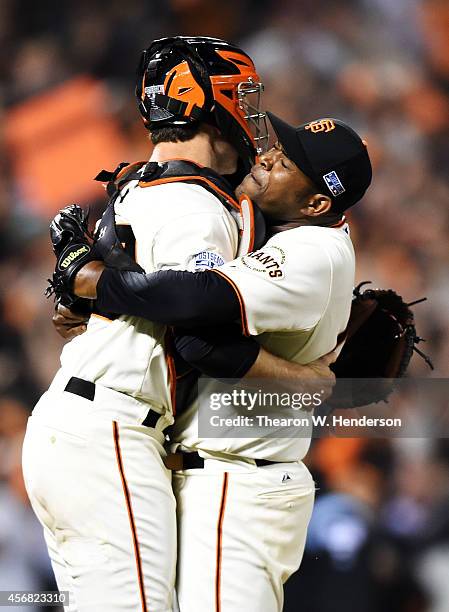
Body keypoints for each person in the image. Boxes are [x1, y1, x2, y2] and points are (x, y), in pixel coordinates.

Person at [22, 37, 334, 612]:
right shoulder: (195, 203)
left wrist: (88, 291)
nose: (251, 108)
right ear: (206, 103)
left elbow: (74, 318)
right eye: (241, 94)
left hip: (92, 424)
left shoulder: (142, 182)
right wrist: (299, 377)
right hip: (110, 429)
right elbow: (196, 329)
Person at [69, 112, 373, 611]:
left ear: (317, 202)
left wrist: (91, 280)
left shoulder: (312, 250)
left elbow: (195, 317)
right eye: (281, 145)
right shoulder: (282, 230)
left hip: (241, 483)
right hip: (219, 474)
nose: (270, 155)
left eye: (289, 162)